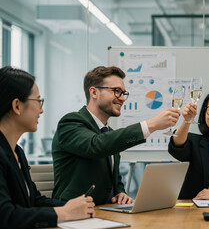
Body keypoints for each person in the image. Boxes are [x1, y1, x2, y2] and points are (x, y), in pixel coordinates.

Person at [52, 66, 180, 205]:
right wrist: (151, 125)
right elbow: (95, 145)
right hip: (72, 214)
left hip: (107, 211)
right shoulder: (70, 122)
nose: (122, 99)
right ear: (94, 92)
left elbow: (114, 178)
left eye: (124, 93)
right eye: (116, 91)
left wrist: (120, 192)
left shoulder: (109, 133)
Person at [0, 66, 95, 229]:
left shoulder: (17, 151)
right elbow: (5, 217)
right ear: (17, 106)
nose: (41, 110)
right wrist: (64, 213)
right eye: (38, 101)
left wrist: (69, 206)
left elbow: (34, 200)